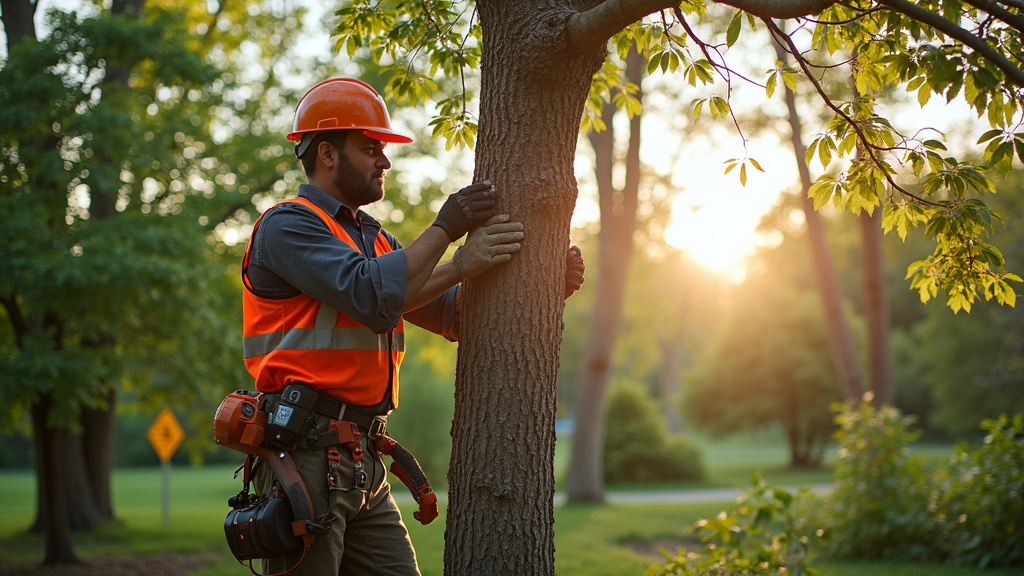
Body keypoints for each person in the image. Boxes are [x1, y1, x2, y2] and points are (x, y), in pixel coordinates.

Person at [239, 77, 585, 576]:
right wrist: (448, 233)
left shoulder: (376, 242)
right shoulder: (289, 225)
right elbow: (372, 297)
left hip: (362, 458)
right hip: (306, 455)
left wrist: (545, 289)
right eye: (370, 148)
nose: (384, 160)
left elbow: (452, 315)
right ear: (327, 154)